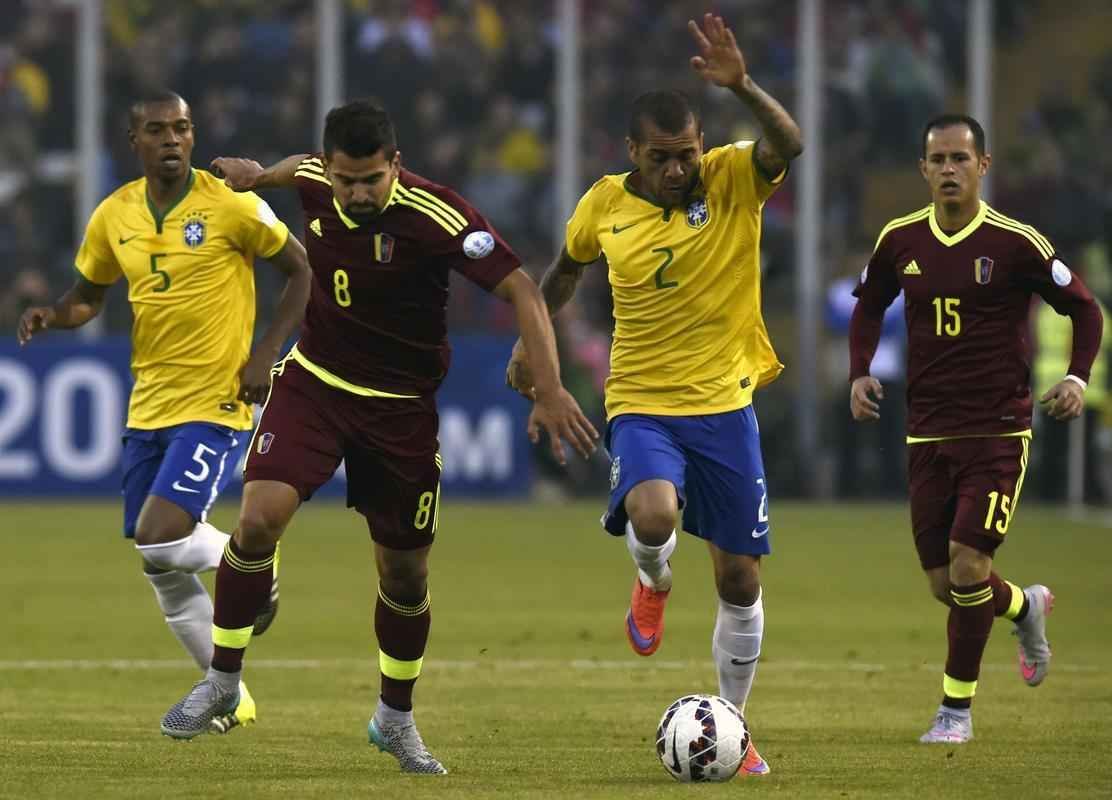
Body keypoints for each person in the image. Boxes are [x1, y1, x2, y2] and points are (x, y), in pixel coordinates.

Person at [160, 100, 598, 773]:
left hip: (400, 411)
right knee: (257, 520)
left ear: (396, 165)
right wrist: (257, 175)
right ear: (330, 169)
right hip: (315, 384)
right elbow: (296, 170)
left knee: (404, 573)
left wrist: (550, 386)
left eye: (371, 179)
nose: (358, 193)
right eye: (346, 180)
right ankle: (222, 681)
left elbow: (524, 292)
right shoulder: (316, 178)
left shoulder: (436, 215)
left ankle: (394, 719)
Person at [506, 14, 802, 777]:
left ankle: (735, 727)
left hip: (726, 404)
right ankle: (652, 577)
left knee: (740, 579)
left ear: (704, 145)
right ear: (633, 153)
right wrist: (531, 345)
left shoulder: (733, 178)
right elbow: (563, 273)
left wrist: (744, 87)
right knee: (654, 514)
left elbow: (789, 143)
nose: (679, 169)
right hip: (641, 399)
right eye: (664, 157)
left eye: (688, 153)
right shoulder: (603, 204)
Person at [16, 90, 312, 733]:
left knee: (161, 534)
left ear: (193, 135)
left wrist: (266, 354)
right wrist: (54, 315)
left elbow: (301, 270)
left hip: (217, 398)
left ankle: (252, 557)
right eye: (157, 130)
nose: (172, 139)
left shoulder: (231, 202)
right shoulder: (113, 214)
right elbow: (88, 295)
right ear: (135, 141)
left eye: (181, 128)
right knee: (157, 560)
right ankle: (229, 694)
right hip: (148, 404)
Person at [849, 113, 1104, 744]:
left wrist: (1076, 377)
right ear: (923, 168)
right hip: (927, 431)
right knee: (946, 583)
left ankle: (954, 712)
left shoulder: (1016, 243)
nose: (949, 170)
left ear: (983, 166)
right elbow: (870, 304)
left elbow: (1085, 308)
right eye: (938, 159)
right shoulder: (900, 239)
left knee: (968, 567)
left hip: (997, 430)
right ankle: (1024, 605)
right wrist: (859, 372)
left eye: (960, 158)